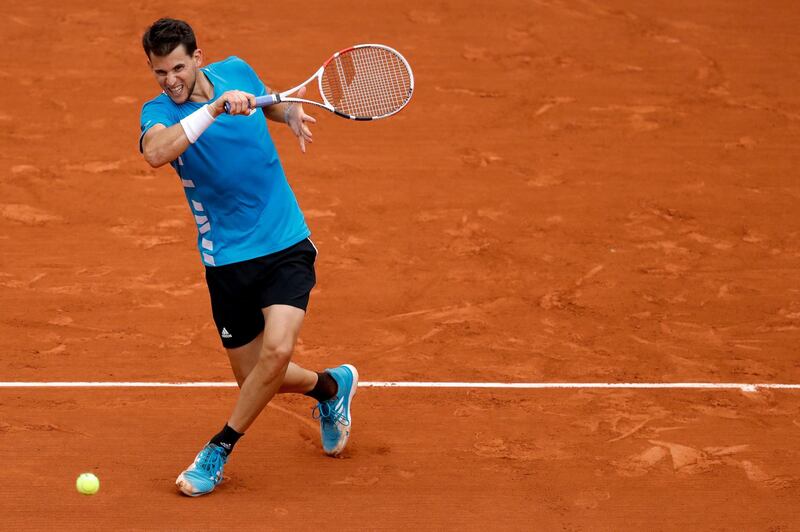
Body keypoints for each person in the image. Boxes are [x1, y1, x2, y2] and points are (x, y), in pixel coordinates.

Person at [138, 18, 358, 497]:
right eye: (160, 72)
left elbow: (268, 100)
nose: (170, 79)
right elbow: (157, 153)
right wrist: (213, 109)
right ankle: (331, 388)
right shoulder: (157, 113)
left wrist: (290, 113)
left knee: (277, 354)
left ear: (198, 58)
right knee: (258, 378)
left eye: (178, 67)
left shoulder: (236, 70)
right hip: (226, 261)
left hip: (284, 243)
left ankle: (217, 450)